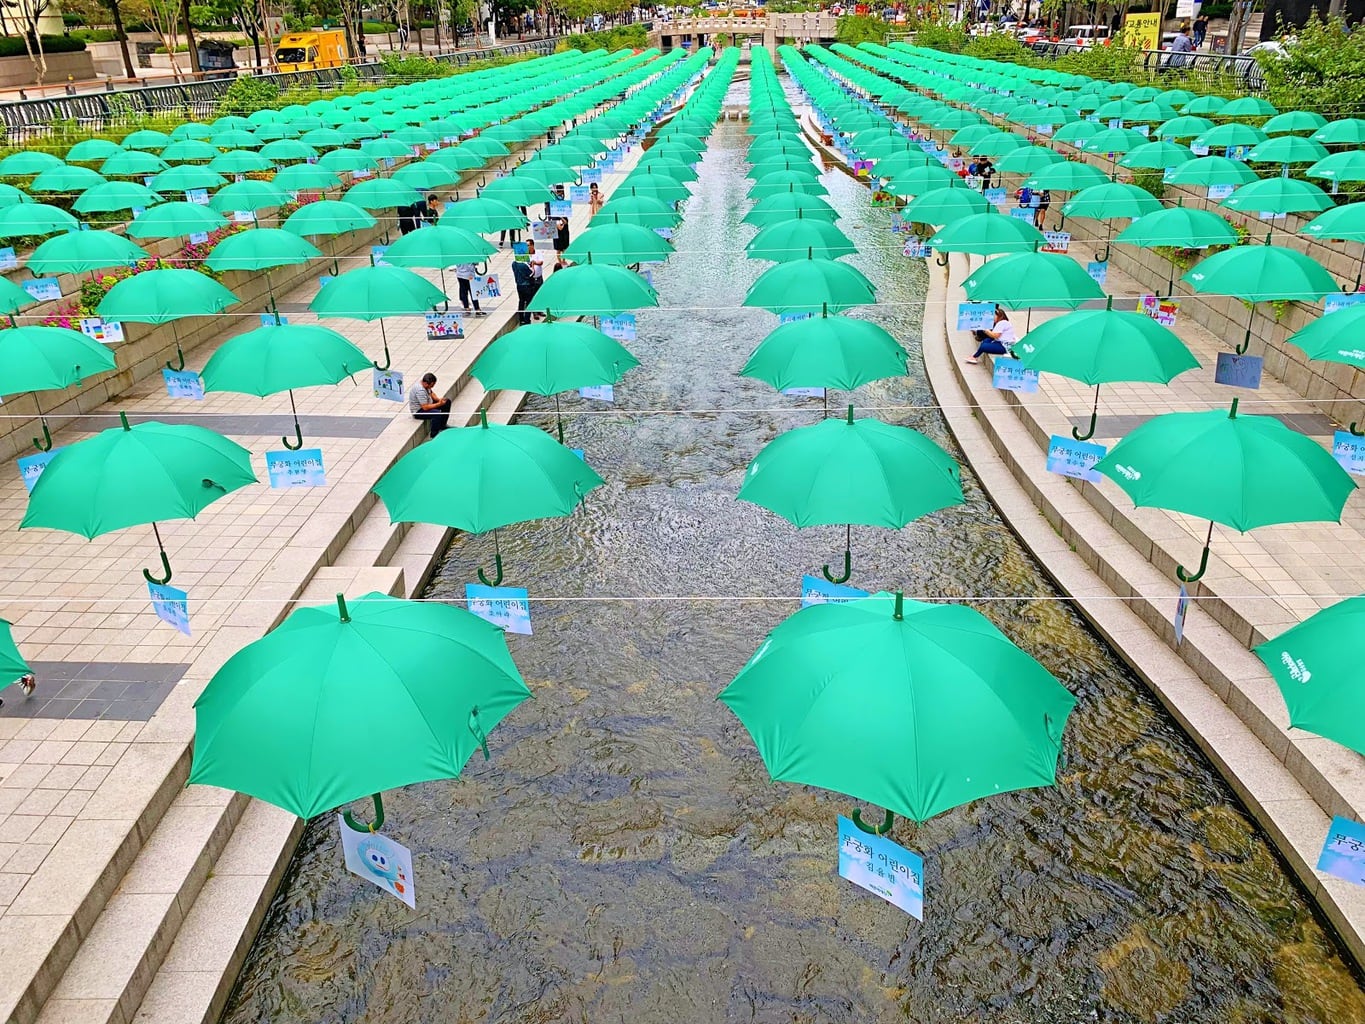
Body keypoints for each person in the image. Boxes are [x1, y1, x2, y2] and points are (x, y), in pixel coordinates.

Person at [408, 373, 451, 437]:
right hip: (419, 411)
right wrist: (439, 404)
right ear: (426, 383)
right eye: (431, 385)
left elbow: (431, 393)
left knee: (447, 402)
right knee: (437, 414)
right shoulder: (420, 390)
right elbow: (425, 407)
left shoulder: (425, 384)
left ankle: (442, 425)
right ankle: (434, 434)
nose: (432, 387)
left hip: (427, 403)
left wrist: (438, 400)